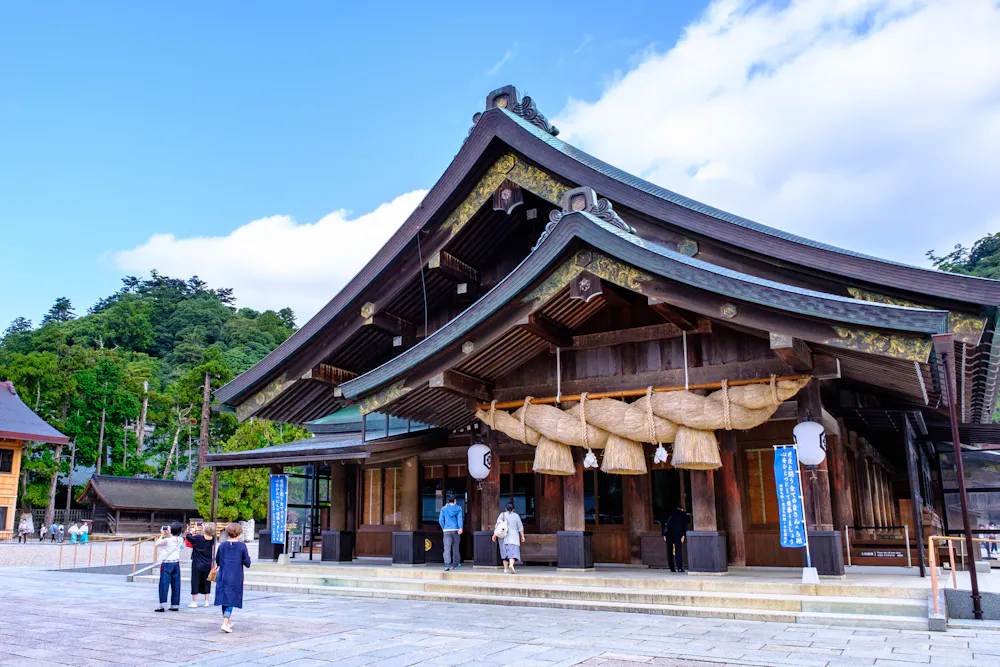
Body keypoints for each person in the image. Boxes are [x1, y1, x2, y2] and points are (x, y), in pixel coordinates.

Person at [215, 522, 251, 633]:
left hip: (223, 574)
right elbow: (247, 562)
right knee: (231, 598)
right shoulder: (242, 546)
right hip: (235, 575)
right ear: (239, 533)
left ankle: (228, 621)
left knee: (224, 597)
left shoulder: (222, 545)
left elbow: (217, 560)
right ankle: (225, 623)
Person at [154, 521, 184, 613]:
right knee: (176, 584)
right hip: (176, 563)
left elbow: (157, 543)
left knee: (164, 584)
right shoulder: (181, 539)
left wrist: (162, 534)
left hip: (167, 563)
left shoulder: (168, 540)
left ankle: (162, 605)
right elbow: (180, 546)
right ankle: (175, 605)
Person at [185, 522, 216, 608]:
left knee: (195, 581)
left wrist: (192, 530)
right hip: (207, 564)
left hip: (197, 564)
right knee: (207, 582)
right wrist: (204, 529)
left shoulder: (198, 538)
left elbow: (188, 537)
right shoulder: (212, 539)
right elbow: (207, 535)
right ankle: (206, 601)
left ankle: (194, 601)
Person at [492, 501, 525, 575]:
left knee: (504, 553)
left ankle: (506, 568)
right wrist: (522, 536)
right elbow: (520, 527)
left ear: (505, 508)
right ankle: (511, 565)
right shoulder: (516, 516)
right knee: (513, 552)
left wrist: (494, 535)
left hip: (503, 536)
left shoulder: (502, 514)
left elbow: (497, 526)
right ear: (513, 509)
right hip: (513, 537)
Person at [438, 494, 464, 571]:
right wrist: (460, 528)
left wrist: (444, 528)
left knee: (447, 548)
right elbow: (460, 519)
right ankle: (455, 564)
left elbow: (441, 520)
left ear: (448, 501)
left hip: (447, 530)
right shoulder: (458, 508)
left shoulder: (444, 508)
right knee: (455, 547)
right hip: (456, 530)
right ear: (455, 500)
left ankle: (447, 565)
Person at [662, 504, 688, 573]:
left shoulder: (669, 513)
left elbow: (664, 523)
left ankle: (671, 567)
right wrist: (683, 535)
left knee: (669, 550)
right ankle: (679, 567)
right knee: (678, 550)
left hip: (668, 534)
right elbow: (684, 525)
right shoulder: (683, 514)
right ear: (681, 509)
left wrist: (664, 534)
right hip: (678, 534)